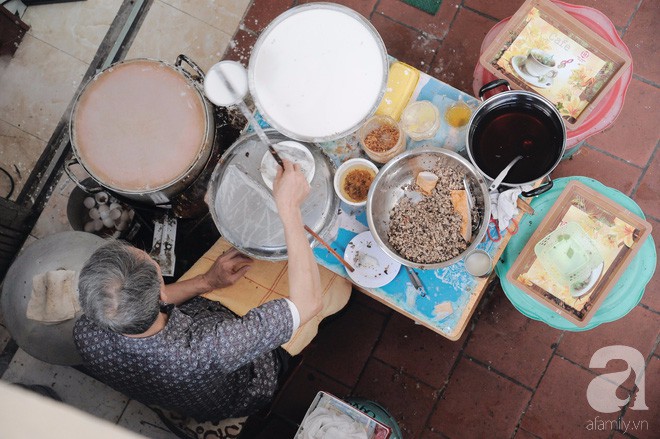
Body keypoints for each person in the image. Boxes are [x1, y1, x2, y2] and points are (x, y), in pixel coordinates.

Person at [73, 160, 323, 422]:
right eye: (153, 264)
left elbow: (144, 301)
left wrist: (208, 281)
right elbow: (309, 303)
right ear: (160, 294)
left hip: (188, 390)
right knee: (320, 288)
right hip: (244, 386)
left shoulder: (86, 332)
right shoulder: (207, 348)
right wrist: (289, 208)